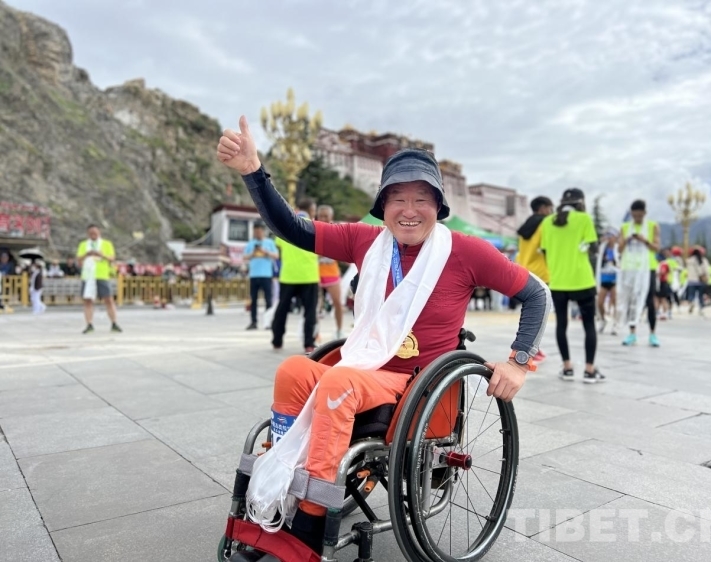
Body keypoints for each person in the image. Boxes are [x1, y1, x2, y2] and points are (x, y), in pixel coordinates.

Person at [216, 116, 550, 555]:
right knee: (293, 370)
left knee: (338, 381)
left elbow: (536, 294)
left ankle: (309, 525)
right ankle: (281, 496)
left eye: (421, 199)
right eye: (398, 199)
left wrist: (519, 362)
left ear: (438, 207)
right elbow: (292, 228)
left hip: (418, 383)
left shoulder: (467, 251)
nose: (409, 210)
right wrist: (253, 172)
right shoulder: (365, 242)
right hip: (365, 367)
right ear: (383, 205)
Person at [540, 188, 604, 383]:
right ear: (580, 202)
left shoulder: (547, 222)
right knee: (589, 324)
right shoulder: (584, 219)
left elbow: (544, 251)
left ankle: (567, 368)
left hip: (558, 281)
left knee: (561, 324)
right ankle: (589, 370)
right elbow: (593, 248)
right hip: (582, 280)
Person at [272, 198, 320, 352]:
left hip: (288, 275)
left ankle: (277, 340)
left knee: (282, 310)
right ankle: (309, 343)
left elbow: (279, 247)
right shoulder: (315, 225)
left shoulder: (285, 224)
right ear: (311, 210)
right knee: (309, 312)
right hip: (309, 275)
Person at [618, 200, 661, 347]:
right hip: (630, 268)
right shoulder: (625, 227)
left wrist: (644, 241)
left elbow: (656, 247)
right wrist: (627, 240)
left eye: (639, 216)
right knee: (631, 301)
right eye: (634, 216)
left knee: (649, 301)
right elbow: (619, 249)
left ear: (644, 213)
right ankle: (632, 333)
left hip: (647, 268)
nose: (637, 218)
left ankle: (652, 334)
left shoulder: (652, 226)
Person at [516, 195, 554, 361]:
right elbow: (547, 248)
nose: (551, 211)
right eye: (550, 208)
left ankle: (529, 347)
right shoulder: (545, 223)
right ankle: (532, 349)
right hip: (541, 271)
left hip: (524, 270)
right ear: (543, 208)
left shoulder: (526, 225)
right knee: (540, 312)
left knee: (528, 312)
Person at [76, 224, 122, 334]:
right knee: (88, 300)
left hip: (102, 275)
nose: (93, 234)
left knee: (108, 299)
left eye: (95, 233)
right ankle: (89, 324)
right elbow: (79, 259)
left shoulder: (106, 244)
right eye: (91, 233)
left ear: (99, 232)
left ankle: (114, 323)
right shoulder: (83, 244)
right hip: (88, 275)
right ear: (88, 234)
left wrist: (102, 255)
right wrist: (87, 254)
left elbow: (112, 258)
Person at [315, 205, 346, 340]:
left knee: (337, 302)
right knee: (315, 305)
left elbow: (342, 251)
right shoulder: (312, 229)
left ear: (331, 217)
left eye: (325, 216)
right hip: (315, 272)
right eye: (320, 216)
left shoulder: (336, 231)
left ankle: (339, 330)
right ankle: (315, 333)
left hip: (331, 272)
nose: (323, 218)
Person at [244, 221, 279, 330]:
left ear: (263, 231)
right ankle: (253, 321)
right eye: (255, 232)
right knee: (253, 300)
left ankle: (268, 322)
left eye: (259, 232)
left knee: (268, 299)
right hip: (254, 275)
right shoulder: (251, 244)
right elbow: (244, 257)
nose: (257, 234)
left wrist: (266, 252)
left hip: (266, 275)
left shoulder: (269, 243)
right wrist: (253, 253)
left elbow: (276, 255)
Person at [596, 229, 619, 333]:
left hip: (615, 279)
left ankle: (615, 324)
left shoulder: (617, 249)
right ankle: (603, 319)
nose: (609, 238)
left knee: (615, 302)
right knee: (600, 302)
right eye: (607, 235)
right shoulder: (603, 249)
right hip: (604, 279)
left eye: (611, 236)